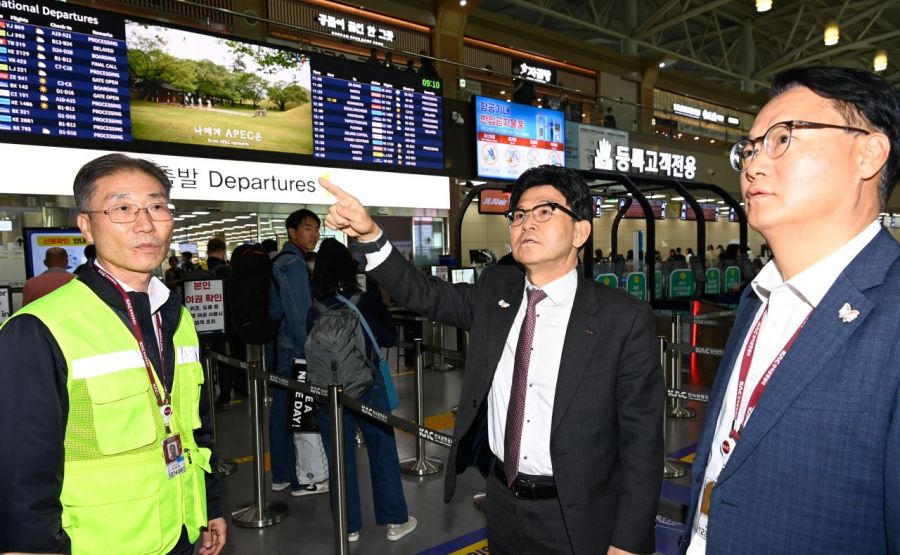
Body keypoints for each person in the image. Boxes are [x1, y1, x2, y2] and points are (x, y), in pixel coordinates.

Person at [321, 165, 664, 554]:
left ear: (581, 231)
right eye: (518, 215)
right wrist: (370, 234)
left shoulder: (623, 318)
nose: (526, 224)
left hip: (578, 515)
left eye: (544, 212)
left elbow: (642, 442)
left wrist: (628, 543)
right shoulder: (495, 292)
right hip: (502, 503)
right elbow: (424, 293)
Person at [683, 66, 900, 553]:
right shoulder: (758, 299)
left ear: (868, 153)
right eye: (750, 148)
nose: (753, 166)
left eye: (783, 138)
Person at [0, 153, 226, 554]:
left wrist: (210, 503)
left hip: (180, 531)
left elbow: (195, 426)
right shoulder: (39, 330)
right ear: (86, 226)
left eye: (157, 206)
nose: (146, 223)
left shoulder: (177, 315)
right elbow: (19, 472)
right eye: (122, 208)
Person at [308, 239, 416, 543]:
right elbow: (389, 338)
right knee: (382, 451)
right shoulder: (365, 300)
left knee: (339, 457)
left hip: (330, 392)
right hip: (368, 386)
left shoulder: (316, 307)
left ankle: (348, 525)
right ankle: (395, 521)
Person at [268, 208, 329, 496]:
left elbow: (275, 310)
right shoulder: (293, 264)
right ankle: (304, 479)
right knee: (301, 415)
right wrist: (311, 348)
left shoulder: (282, 261)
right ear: (292, 232)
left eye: (316, 228)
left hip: (283, 347)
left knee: (282, 412)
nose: (314, 234)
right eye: (307, 228)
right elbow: (298, 313)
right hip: (296, 350)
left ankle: (281, 474)